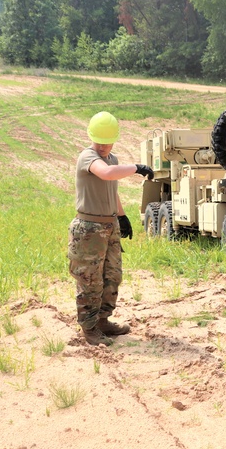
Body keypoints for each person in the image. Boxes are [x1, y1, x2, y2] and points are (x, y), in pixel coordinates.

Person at [69, 112, 154, 346]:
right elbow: (105, 174)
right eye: (100, 141)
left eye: (108, 142)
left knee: (112, 276)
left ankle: (103, 320)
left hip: (110, 224)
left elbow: (111, 189)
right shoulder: (87, 156)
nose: (104, 146)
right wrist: (137, 167)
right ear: (91, 137)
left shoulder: (112, 159)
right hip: (89, 229)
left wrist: (123, 216)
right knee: (90, 280)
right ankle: (89, 328)